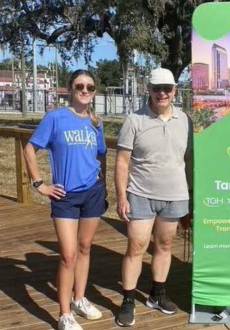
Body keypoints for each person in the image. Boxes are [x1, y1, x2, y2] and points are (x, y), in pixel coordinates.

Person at [24, 69, 107, 330]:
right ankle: (64, 314)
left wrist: (100, 179)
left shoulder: (96, 122)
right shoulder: (55, 118)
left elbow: (101, 153)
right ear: (70, 89)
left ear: (94, 92)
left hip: (92, 192)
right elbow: (29, 148)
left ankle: (79, 298)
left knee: (84, 249)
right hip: (65, 195)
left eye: (90, 87)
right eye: (80, 86)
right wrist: (39, 184)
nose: (84, 90)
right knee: (68, 255)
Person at [115, 67, 193, 327]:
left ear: (175, 90)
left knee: (164, 246)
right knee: (136, 247)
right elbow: (122, 162)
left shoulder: (185, 120)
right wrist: (121, 197)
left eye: (167, 88)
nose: (162, 93)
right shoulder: (134, 120)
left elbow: (189, 160)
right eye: (156, 88)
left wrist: (190, 195)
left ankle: (156, 294)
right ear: (147, 89)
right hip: (140, 194)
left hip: (175, 194)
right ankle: (127, 300)